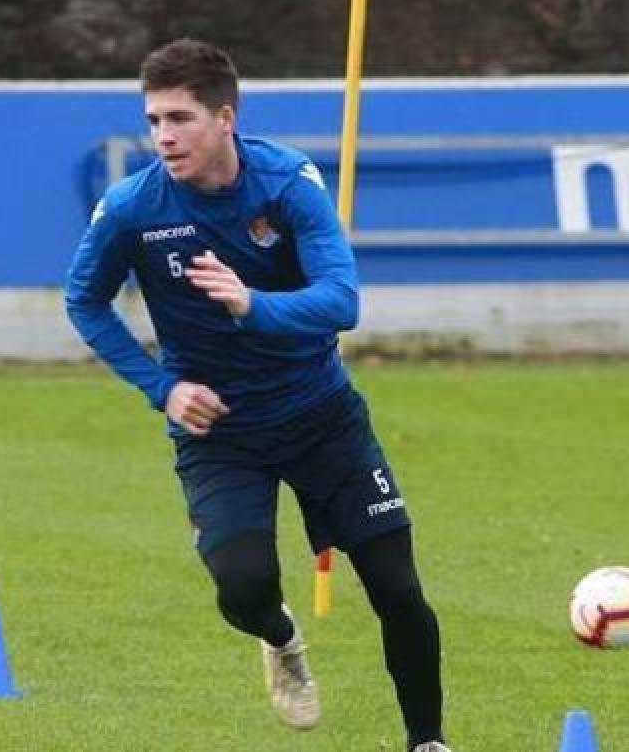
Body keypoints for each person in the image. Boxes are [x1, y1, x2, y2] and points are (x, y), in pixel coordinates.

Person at [64, 37, 451, 752]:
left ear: (224, 118)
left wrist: (253, 306)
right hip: (221, 433)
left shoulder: (287, 183)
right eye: (153, 120)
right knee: (243, 589)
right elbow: (83, 303)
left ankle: (428, 742)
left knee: (397, 588)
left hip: (322, 417)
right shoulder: (131, 208)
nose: (163, 136)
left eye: (179, 118)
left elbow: (342, 301)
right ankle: (280, 638)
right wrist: (163, 387)